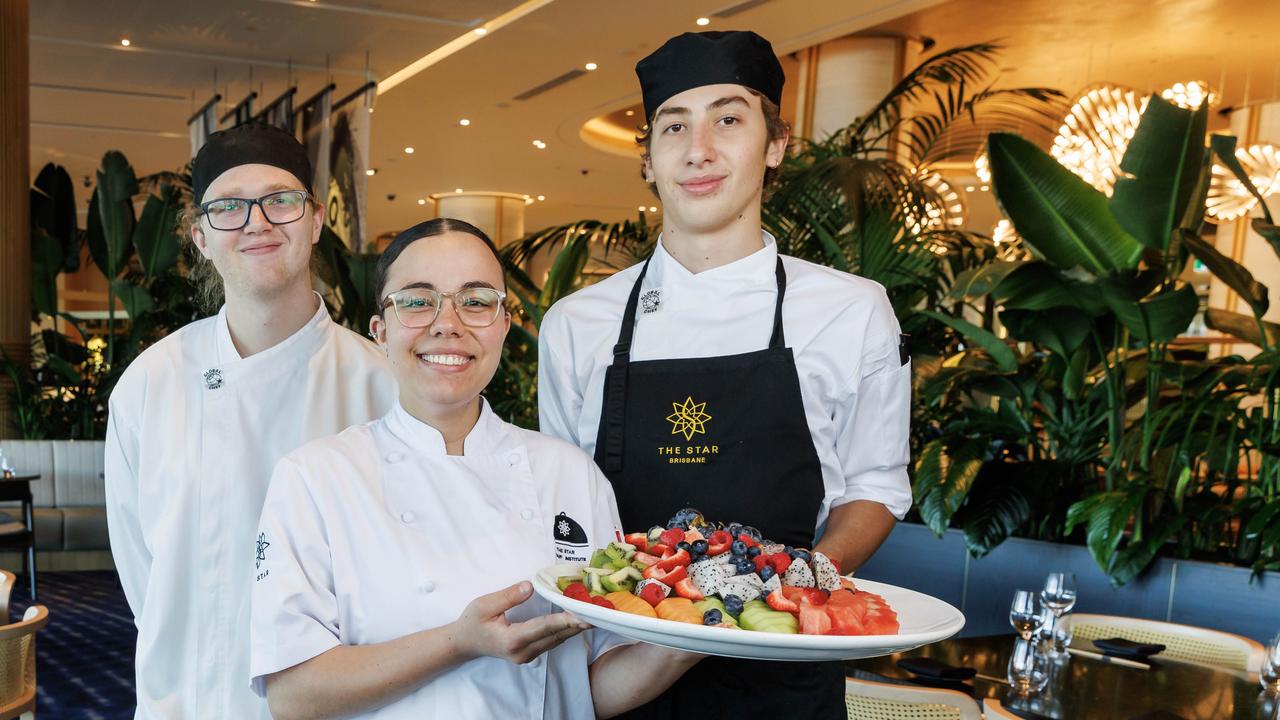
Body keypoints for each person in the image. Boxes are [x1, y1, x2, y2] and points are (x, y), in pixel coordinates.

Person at [537, 30, 913, 718]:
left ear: (775, 145)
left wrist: (791, 586)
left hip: (784, 674)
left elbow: (876, 487)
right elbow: (563, 509)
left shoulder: (851, 311)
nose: (698, 148)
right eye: (673, 125)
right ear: (647, 158)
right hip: (619, 672)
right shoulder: (576, 324)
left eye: (728, 119)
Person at [249, 218, 700, 719]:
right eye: (418, 301)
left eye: (477, 301)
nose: (449, 323)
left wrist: (696, 632)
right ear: (381, 330)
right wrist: (457, 642)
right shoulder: (316, 478)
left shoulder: (570, 474)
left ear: (505, 325)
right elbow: (293, 697)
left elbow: (589, 687)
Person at [104, 122, 397, 719]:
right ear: (201, 237)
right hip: (187, 700)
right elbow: (143, 575)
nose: (257, 222)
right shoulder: (150, 384)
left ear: (315, 220)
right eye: (230, 208)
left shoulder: (382, 386)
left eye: (280, 201)